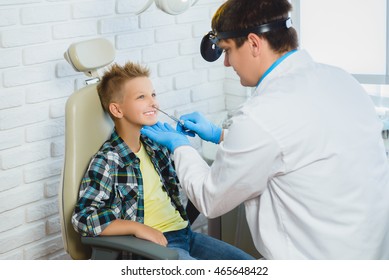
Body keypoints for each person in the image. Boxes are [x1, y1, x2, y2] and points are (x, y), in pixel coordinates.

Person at [141, 0, 389, 259]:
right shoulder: (340, 80)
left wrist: (180, 146)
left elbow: (210, 198)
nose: (226, 63)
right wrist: (220, 135)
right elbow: (298, 145)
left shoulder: (263, 115)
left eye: (227, 51)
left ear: (254, 44)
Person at [71, 61, 254, 260]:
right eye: (142, 97)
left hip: (186, 235)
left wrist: (184, 146)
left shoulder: (155, 146)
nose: (153, 103)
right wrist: (136, 228)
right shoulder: (108, 160)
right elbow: (83, 218)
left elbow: (192, 180)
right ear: (117, 110)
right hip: (152, 246)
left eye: (153, 95)